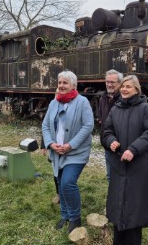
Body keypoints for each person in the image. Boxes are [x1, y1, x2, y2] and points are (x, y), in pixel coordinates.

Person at [102, 75, 148, 245]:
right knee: (118, 205)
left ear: (137, 89)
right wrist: (110, 141)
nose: (124, 89)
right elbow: (106, 131)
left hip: (138, 167)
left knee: (135, 209)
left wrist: (133, 149)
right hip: (119, 166)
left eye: (129, 87)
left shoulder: (145, 108)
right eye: (123, 87)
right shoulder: (116, 108)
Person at [42, 70, 94, 234]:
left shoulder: (82, 102)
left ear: (73, 85)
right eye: (60, 83)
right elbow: (45, 126)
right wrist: (50, 143)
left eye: (65, 83)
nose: (61, 86)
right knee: (60, 182)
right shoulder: (53, 103)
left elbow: (88, 126)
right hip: (57, 152)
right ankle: (64, 215)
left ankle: (75, 218)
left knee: (67, 183)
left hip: (75, 153)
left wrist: (71, 145)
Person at [98, 69, 123, 182]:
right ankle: (113, 199)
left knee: (121, 176)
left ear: (120, 83)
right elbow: (101, 117)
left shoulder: (124, 99)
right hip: (107, 143)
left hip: (121, 144)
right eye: (107, 81)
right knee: (109, 176)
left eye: (112, 82)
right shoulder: (103, 98)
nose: (109, 84)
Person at [40, 137, 60, 204]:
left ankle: (68, 195)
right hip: (54, 149)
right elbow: (45, 128)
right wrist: (43, 146)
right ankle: (59, 195)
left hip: (69, 150)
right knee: (56, 173)